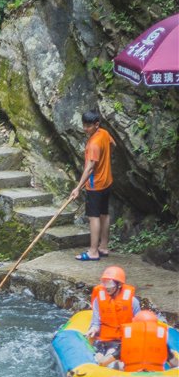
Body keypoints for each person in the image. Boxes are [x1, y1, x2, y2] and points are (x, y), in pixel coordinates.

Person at [70, 108, 116, 262]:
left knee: (93, 217)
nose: (85, 128)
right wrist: (105, 159)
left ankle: (93, 251)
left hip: (95, 185)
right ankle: (103, 247)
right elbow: (113, 145)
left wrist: (77, 188)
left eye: (88, 126)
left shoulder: (92, 145)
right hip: (107, 181)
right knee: (104, 214)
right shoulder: (103, 133)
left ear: (97, 124)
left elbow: (89, 168)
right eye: (83, 125)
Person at [87, 265, 140, 365]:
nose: (106, 286)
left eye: (109, 283)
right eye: (104, 283)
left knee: (116, 360)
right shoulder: (99, 299)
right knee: (99, 359)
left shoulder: (133, 302)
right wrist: (93, 329)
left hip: (124, 342)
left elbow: (139, 326)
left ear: (119, 285)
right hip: (104, 341)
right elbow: (95, 322)